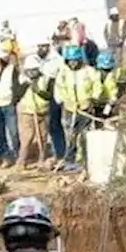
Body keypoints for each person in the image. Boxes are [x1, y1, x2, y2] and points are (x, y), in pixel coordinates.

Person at [53, 44, 101, 173]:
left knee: (85, 136)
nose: (73, 63)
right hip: (70, 109)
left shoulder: (89, 71)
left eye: (75, 60)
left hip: (85, 109)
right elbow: (59, 89)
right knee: (71, 136)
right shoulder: (63, 73)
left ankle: (85, 161)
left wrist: (92, 99)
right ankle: (70, 160)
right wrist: (63, 101)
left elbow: (97, 86)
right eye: (70, 61)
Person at [16, 54, 54, 169]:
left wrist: (38, 91)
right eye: (29, 71)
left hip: (43, 111)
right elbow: (16, 95)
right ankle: (22, 162)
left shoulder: (47, 79)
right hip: (27, 112)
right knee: (27, 137)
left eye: (34, 70)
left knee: (43, 137)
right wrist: (25, 86)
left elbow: (50, 96)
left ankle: (41, 160)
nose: (32, 73)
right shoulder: (22, 80)